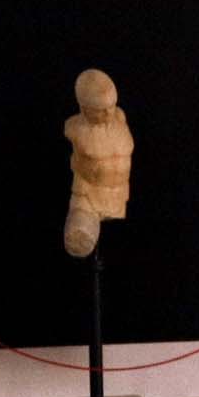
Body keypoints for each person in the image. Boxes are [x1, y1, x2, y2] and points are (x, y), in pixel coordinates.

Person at [63, 68, 133, 259]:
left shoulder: (120, 117)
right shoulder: (74, 128)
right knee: (79, 239)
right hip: (87, 199)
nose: (109, 112)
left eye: (112, 105)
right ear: (84, 108)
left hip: (119, 197)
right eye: (101, 110)